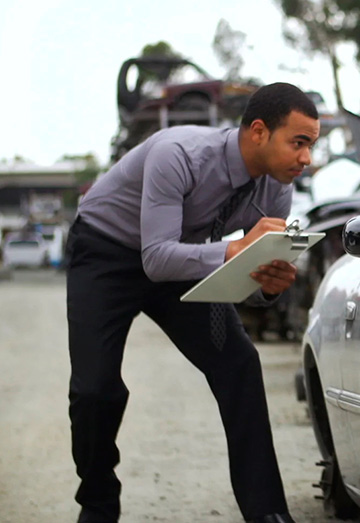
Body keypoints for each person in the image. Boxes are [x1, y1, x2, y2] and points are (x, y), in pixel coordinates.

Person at [66, 82, 321, 523]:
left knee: (239, 364)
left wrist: (269, 284)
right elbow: (155, 258)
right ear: (258, 131)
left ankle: (267, 514)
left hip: (181, 254)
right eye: (298, 143)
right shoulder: (178, 153)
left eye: (311, 145)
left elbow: (245, 277)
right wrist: (233, 251)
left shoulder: (277, 187)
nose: (307, 158)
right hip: (105, 251)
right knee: (95, 390)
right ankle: (98, 504)